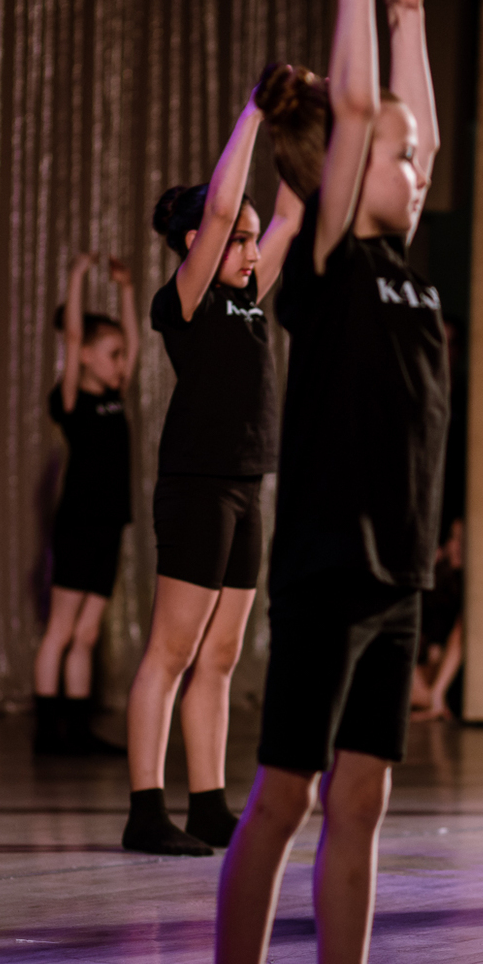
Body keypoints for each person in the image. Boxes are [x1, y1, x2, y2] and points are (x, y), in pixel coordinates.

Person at [200, 0, 445, 964]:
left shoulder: (404, 263)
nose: (413, 165)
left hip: (398, 571)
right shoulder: (333, 259)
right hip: (326, 563)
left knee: (365, 793)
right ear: (345, 175)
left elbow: (414, 128)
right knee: (285, 795)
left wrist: (410, 17)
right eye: (394, 158)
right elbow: (360, 118)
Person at [121, 80, 303, 856]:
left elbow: (292, 212)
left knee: (222, 657)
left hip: (246, 486)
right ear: (199, 241)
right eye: (238, 239)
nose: (252, 251)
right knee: (172, 652)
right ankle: (145, 811)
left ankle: (207, 804)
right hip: (196, 486)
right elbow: (227, 209)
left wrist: (307, 121)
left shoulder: (250, 296)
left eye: (252, 242)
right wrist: (255, 111)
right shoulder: (185, 299)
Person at [33, 252, 139, 757]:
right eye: (112, 354)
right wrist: (77, 276)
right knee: (61, 628)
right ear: (87, 357)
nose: (121, 363)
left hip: (110, 525)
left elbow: (134, 343)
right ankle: (46, 730)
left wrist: (126, 290)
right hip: (77, 523)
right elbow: (73, 337)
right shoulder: (72, 400)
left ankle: (77, 730)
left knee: (88, 632)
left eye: (121, 356)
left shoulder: (116, 397)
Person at [411, 518, 464, 721]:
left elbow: (459, 636)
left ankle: (433, 699)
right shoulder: (443, 578)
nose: (455, 546)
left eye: (462, 541)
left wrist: (437, 692)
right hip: (435, 669)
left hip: (455, 680)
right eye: (453, 538)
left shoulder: (470, 591)